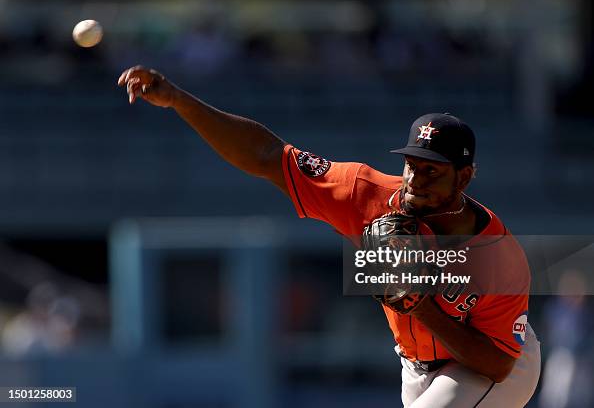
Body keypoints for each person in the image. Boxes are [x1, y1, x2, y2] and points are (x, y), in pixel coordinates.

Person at [118, 66, 541, 407]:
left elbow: (499, 364)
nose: (415, 179)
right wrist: (178, 100)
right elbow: (268, 156)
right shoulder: (365, 193)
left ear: (464, 177)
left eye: (433, 170)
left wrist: (422, 307)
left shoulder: (499, 257)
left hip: (490, 366)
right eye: (412, 164)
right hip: (415, 366)